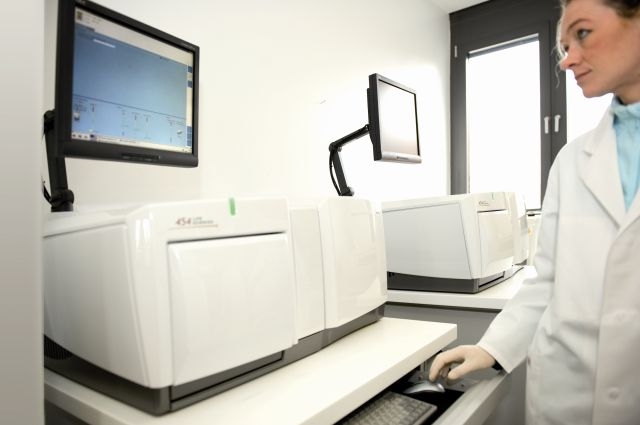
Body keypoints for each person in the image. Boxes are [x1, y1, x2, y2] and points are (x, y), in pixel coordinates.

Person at [428, 0, 640, 423]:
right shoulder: (571, 159)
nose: (568, 61)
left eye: (582, 34)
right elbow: (546, 280)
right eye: (563, 47)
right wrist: (491, 348)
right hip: (566, 395)